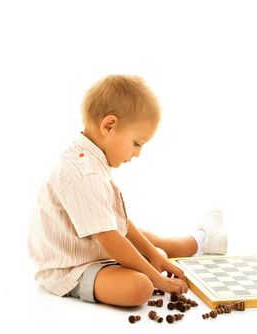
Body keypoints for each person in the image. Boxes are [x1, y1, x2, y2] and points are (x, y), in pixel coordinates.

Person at [28, 75, 227, 306]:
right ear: (109, 126)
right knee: (139, 287)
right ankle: (194, 243)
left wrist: (152, 254)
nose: (137, 154)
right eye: (137, 143)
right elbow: (110, 238)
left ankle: (202, 239)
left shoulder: (92, 157)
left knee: (152, 246)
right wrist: (156, 278)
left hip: (95, 250)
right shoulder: (84, 172)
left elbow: (117, 221)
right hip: (72, 268)